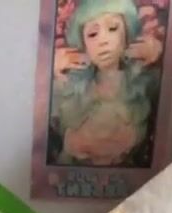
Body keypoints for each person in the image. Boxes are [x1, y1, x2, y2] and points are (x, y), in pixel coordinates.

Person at [49, 0, 162, 168]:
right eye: (93, 34)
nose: (103, 41)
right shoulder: (72, 89)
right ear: (83, 45)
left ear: (127, 35)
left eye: (113, 28)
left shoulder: (142, 83)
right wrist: (51, 69)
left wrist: (159, 58)